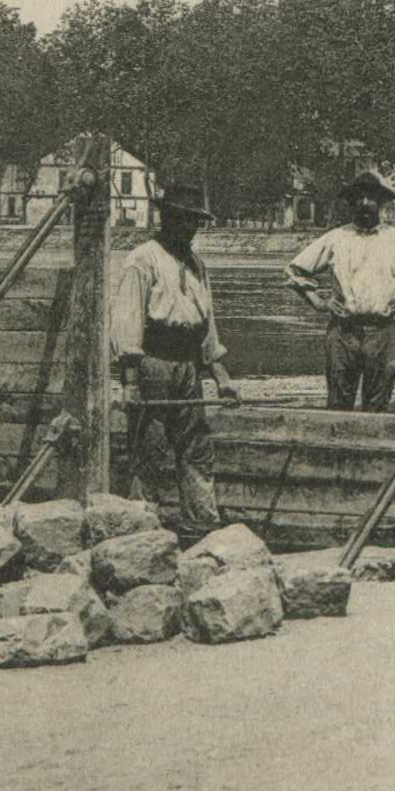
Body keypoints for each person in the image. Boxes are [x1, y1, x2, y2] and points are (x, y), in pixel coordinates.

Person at [109, 180, 239, 538]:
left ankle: (201, 521)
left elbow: (206, 324)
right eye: (182, 219)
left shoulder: (197, 264)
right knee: (147, 447)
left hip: (187, 365)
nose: (190, 228)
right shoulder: (143, 259)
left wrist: (221, 376)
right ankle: (139, 524)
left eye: (195, 221)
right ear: (166, 218)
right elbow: (127, 319)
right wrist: (131, 381)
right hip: (152, 361)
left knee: (196, 445)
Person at [284, 170, 395, 411]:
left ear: (380, 203)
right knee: (338, 403)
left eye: (371, 198)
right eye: (359, 198)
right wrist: (319, 303)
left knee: (378, 404)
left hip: (383, 332)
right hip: (343, 331)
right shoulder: (336, 238)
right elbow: (294, 270)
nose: (365, 203)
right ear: (352, 203)